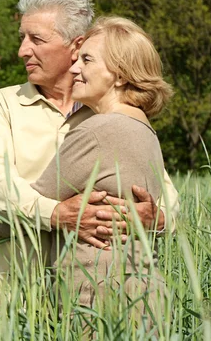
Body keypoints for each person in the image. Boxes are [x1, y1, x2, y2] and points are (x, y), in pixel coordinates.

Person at [0, 0, 179, 310]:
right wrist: (57, 214)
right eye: (22, 37)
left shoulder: (111, 116)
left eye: (36, 39)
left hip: (77, 302)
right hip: (3, 297)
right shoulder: (2, 104)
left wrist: (154, 219)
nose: (22, 50)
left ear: (75, 47)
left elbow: (167, 200)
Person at [32, 16, 173, 321]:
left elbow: (31, 206)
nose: (73, 68)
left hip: (97, 302)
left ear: (120, 76)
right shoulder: (144, 129)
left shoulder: (100, 130)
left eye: (86, 59)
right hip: (144, 298)